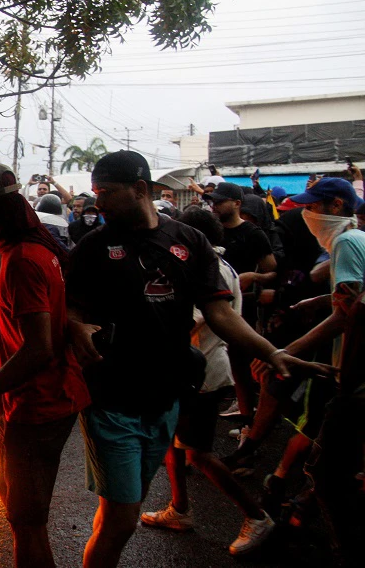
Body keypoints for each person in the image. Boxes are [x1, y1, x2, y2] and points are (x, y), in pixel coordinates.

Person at [66, 150, 333, 568]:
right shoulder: (92, 248)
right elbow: (69, 307)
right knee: (120, 522)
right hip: (111, 399)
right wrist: (75, 325)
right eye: (96, 191)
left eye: (108, 192)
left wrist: (273, 352)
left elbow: (220, 312)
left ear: (140, 190)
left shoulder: (189, 242)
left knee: (121, 513)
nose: (98, 201)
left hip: (166, 398)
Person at [0, 163, 90, 568]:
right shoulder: (39, 249)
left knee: (27, 521)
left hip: (40, 402)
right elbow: (42, 326)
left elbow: (39, 348)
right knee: (11, 492)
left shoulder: (24, 259)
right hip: (48, 396)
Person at [141, 206, 276, 557]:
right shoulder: (218, 264)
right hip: (193, 368)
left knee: (199, 454)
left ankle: (256, 516)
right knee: (174, 440)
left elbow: (194, 320)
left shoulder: (207, 268)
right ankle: (180, 509)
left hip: (202, 373)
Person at [255, 177, 365, 566]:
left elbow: (347, 312)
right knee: (333, 457)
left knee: (330, 470)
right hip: (353, 369)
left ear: (336, 205)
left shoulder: (347, 242)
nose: (307, 214)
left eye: (313, 207)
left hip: (354, 372)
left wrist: (285, 352)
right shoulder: (356, 238)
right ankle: (298, 517)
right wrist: (315, 301)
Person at [208, 182, 276, 427]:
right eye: (212, 201)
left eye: (219, 201)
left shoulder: (252, 233)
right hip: (209, 306)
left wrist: (252, 277)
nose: (214, 205)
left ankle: (248, 419)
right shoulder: (210, 230)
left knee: (239, 362)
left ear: (237, 204)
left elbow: (272, 272)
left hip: (240, 306)